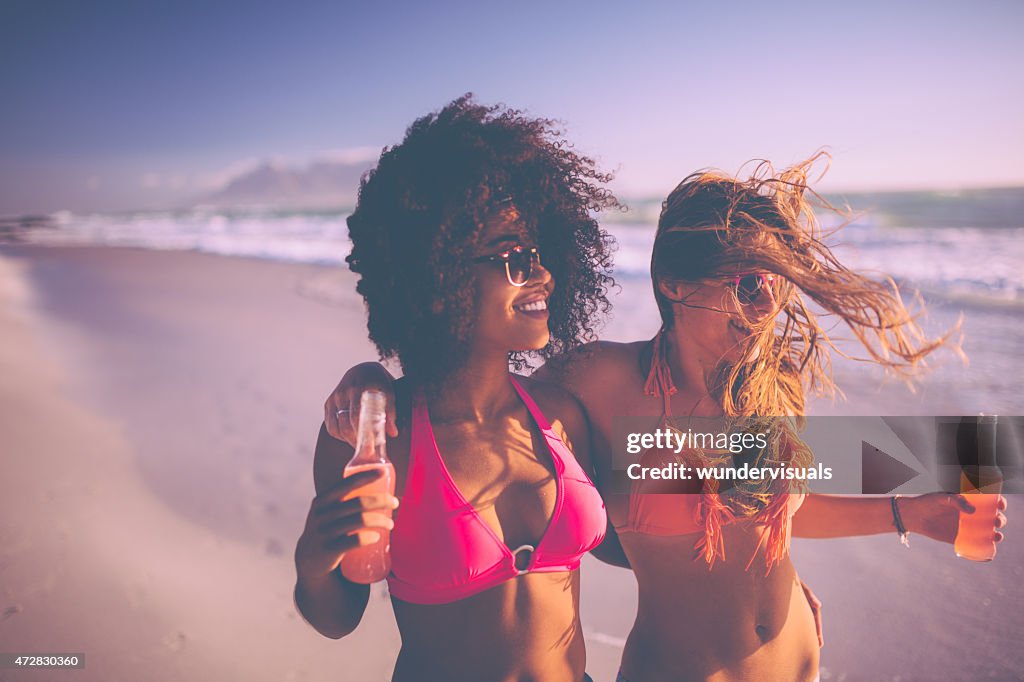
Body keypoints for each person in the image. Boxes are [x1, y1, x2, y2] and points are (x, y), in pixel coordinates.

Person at [326, 155, 1007, 681]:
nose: (768, 304)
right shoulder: (601, 383)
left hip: (801, 662)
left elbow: (775, 508)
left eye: (777, 282)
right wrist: (375, 383)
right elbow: (476, 400)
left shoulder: (772, 383)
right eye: (747, 282)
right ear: (676, 284)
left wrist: (908, 515)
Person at [292, 95, 626, 682]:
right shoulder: (376, 437)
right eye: (514, 256)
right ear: (436, 268)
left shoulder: (560, 412)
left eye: (541, 253)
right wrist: (313, 567)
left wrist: (750, 512)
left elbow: (623, 546)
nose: (543, 273)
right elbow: (338, 617)